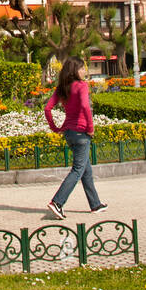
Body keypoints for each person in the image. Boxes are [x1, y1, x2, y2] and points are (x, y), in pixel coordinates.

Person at [43, 57, 107, 219]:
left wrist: (55, 127)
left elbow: (47, 108)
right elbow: (86, 106)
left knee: (86, 169)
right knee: (78, 169)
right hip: (81, 132)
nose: (85, 71)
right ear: (75, 70)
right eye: (82, 68)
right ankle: (57, 202)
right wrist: (90, 128)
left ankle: (95, 204)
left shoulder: (62, 88)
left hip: (69, 133)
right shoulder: (81, 86)